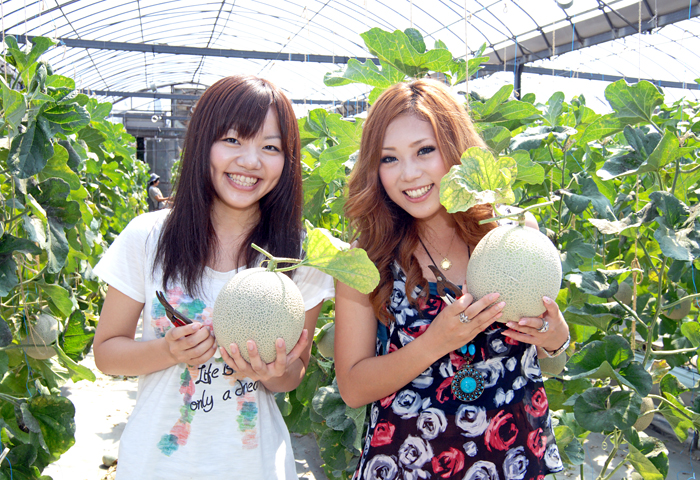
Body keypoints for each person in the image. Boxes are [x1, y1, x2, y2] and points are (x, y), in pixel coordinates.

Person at [92, 75, 334, 479]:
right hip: (156, 466)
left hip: (254, 468)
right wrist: (169, 352)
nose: (251, 161)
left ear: (287, 160)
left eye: (270, 147)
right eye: (233, 140)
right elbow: (106, 354)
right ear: (203, 143)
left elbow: (294, 375)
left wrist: (272, 371)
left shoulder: (299, 254)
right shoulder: (148, 237)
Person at [334, 79, 569, 480]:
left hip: (513, 460)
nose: (409, 173)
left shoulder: (513, 231)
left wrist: (554, 335)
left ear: (455, 147)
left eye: (424, 150)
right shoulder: (366, 257)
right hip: (408, 462)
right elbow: (353, 388)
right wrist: (436, 342)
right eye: (389, 158)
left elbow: (551, 356)